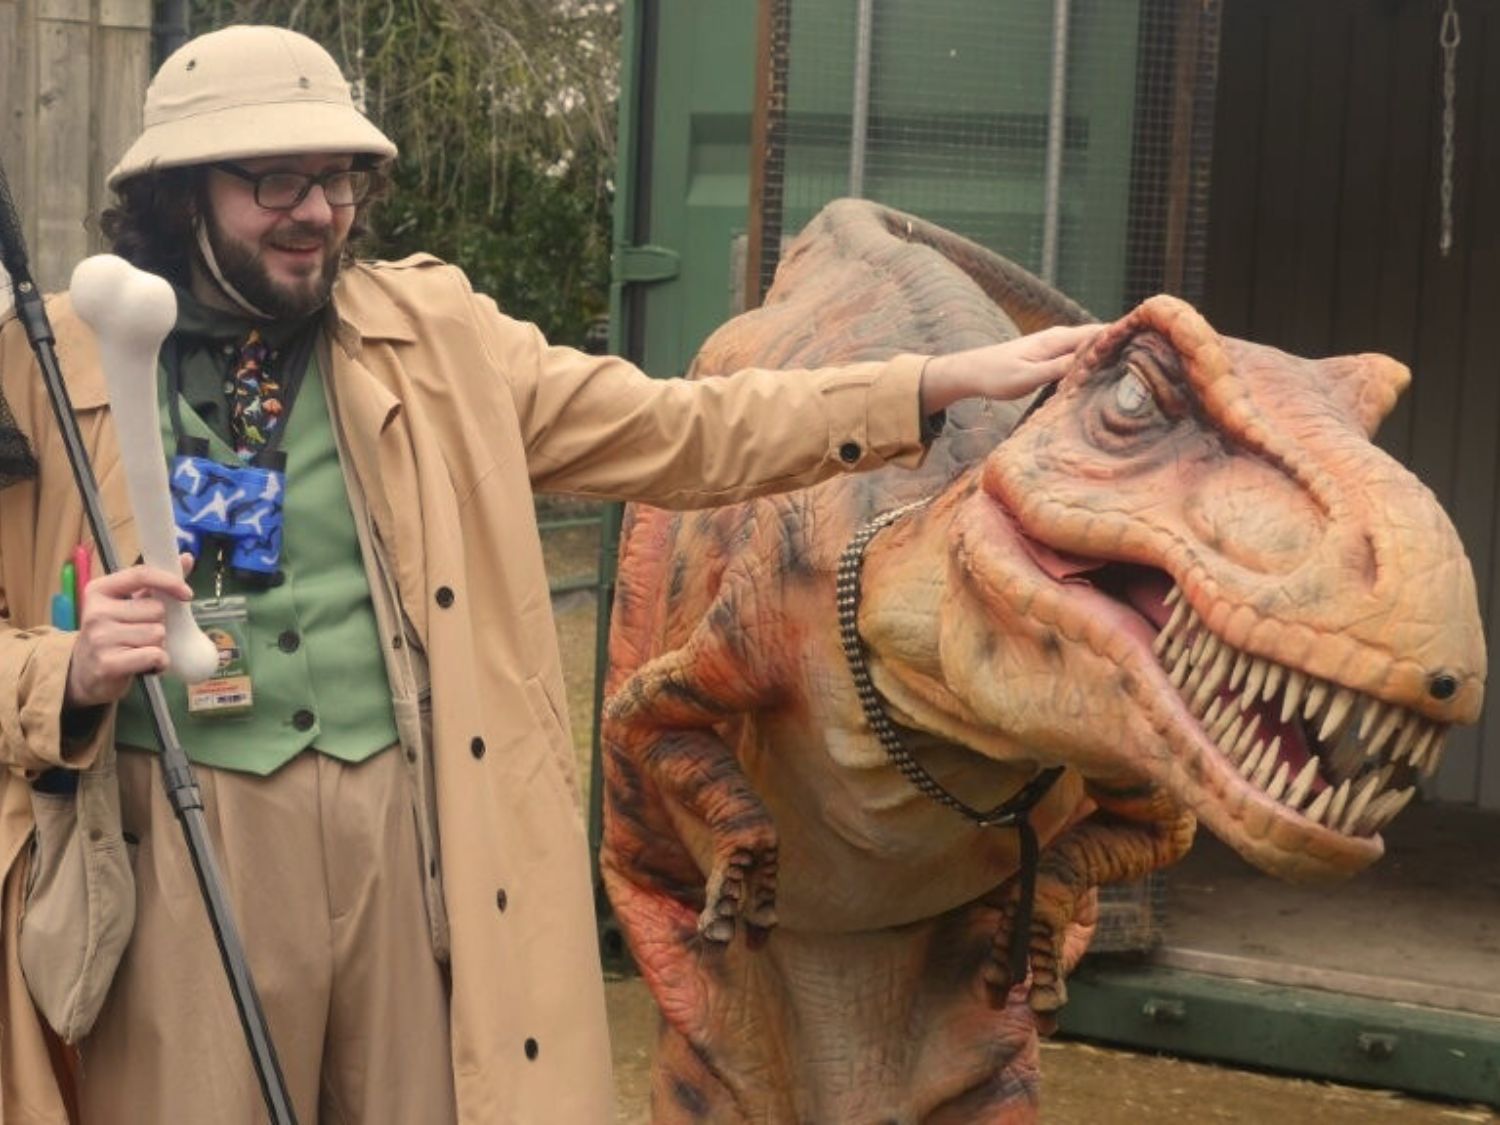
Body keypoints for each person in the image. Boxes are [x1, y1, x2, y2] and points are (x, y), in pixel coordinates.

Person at [0, 23, 1097, 1125]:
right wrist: (69, 672)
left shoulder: (436, 336)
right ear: (182, 194)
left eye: (337, 179)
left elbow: (682, 430)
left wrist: (927, 386)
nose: (317, 211)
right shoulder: (42, 368)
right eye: (276, 181)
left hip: (406, 828)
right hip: (177, 838)